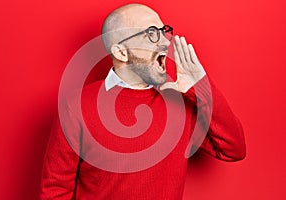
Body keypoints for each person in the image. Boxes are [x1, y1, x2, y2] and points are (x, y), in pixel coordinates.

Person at [40, 3, 246, 200]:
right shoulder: (76, 106)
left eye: (163, 32)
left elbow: (233, 149)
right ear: (121, 52)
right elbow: (55, 190)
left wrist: (201, 88)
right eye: (151, 34)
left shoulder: (178, 101)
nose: (166, 42)